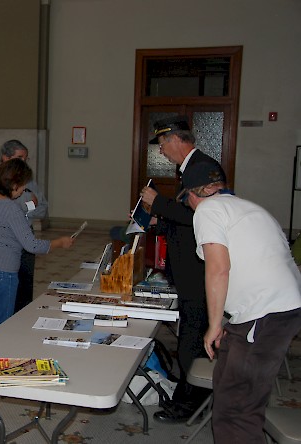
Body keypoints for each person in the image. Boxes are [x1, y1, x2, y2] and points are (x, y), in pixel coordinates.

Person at [179, 161, 301, 443]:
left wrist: (212, 326)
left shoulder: (207, 210)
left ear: (193, 195)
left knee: (237, 409)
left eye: (187, 201)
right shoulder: (251, 208)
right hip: (279, 308)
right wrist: (224, 322)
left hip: (265, 311)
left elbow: (218, 268)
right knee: (230, 387)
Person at [140, 115, 226, 422]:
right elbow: (186, 220)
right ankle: (187, 393)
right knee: (189, 336)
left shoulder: (203, 168)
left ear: (176, 139)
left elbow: (206, 216)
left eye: (162, 143)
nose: (161, 150)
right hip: (188, 269)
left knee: (193, 339)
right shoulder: (188, 169)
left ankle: (190, 403)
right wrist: (157, 222)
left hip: (198, 271)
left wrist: (159, 204)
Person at [0, 158, 73, 341]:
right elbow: (31, 245)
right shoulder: (11, 209)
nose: (24, 190)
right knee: (1, 323)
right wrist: (59, 243)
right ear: (14, 185)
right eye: (23, 186)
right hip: (2, 271)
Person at [0, 139, 48, 313]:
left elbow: (42, 207)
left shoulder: (29, 180)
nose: (23, 163)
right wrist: (23, 208)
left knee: (25, 284)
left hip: (26, 236)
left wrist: (26, 209)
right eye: (19, 158)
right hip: (3, 241)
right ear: (5, 158)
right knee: (3, 289)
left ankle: (21, 319)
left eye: (25, 159)